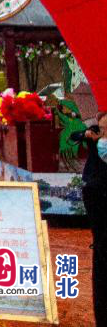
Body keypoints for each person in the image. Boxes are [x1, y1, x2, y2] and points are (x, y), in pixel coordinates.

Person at [70, 111, 107, 326]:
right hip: (97, 197)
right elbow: (73, 136)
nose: (104, 133)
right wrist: (87, 135)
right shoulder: (94, 137)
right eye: (102, 129)